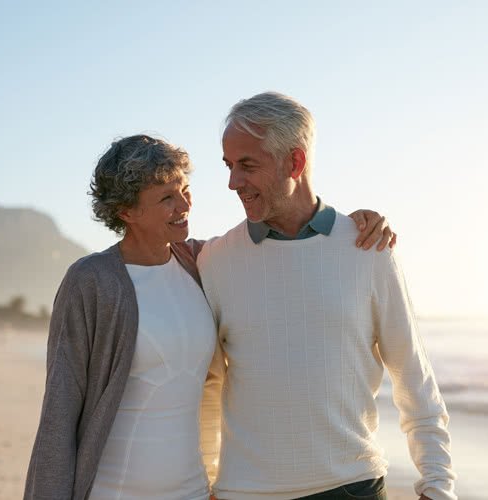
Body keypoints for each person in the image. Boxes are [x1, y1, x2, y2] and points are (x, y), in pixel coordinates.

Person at [24, 134, 393, 500]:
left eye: (184, 189)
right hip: (113, 491)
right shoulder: (91, 281)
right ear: (126, 212)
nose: (183, 204)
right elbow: (60, 409)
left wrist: (351, 225)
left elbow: (279, 245)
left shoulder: (200, 263)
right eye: (166, 198)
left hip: (194, 492)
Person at [197, 92, 456, 500]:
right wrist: (206, 482)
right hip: (244, 493)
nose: (233, 183)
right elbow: (208, 386)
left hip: (352, 488)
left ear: (295, 162)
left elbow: (412, 375)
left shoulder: (367, 248)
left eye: (247, 165)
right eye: (229, 166)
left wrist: (438, 484)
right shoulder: (212, 260)